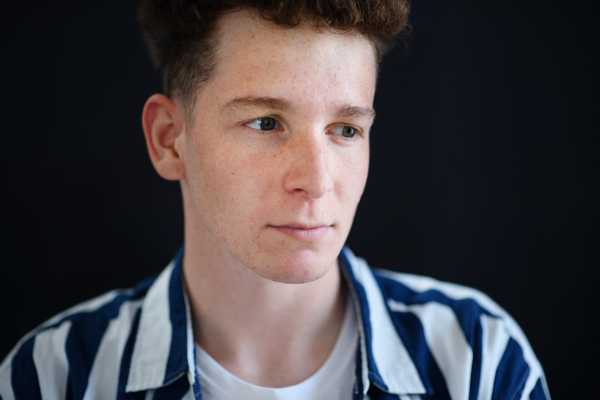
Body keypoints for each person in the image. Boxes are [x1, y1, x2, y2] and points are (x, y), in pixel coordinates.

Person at [0, 1, 550, 399]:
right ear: (170, 139)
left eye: (345, 130)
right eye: (266, 122)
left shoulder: (478, 361)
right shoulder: (54, 377)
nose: (316, 180)